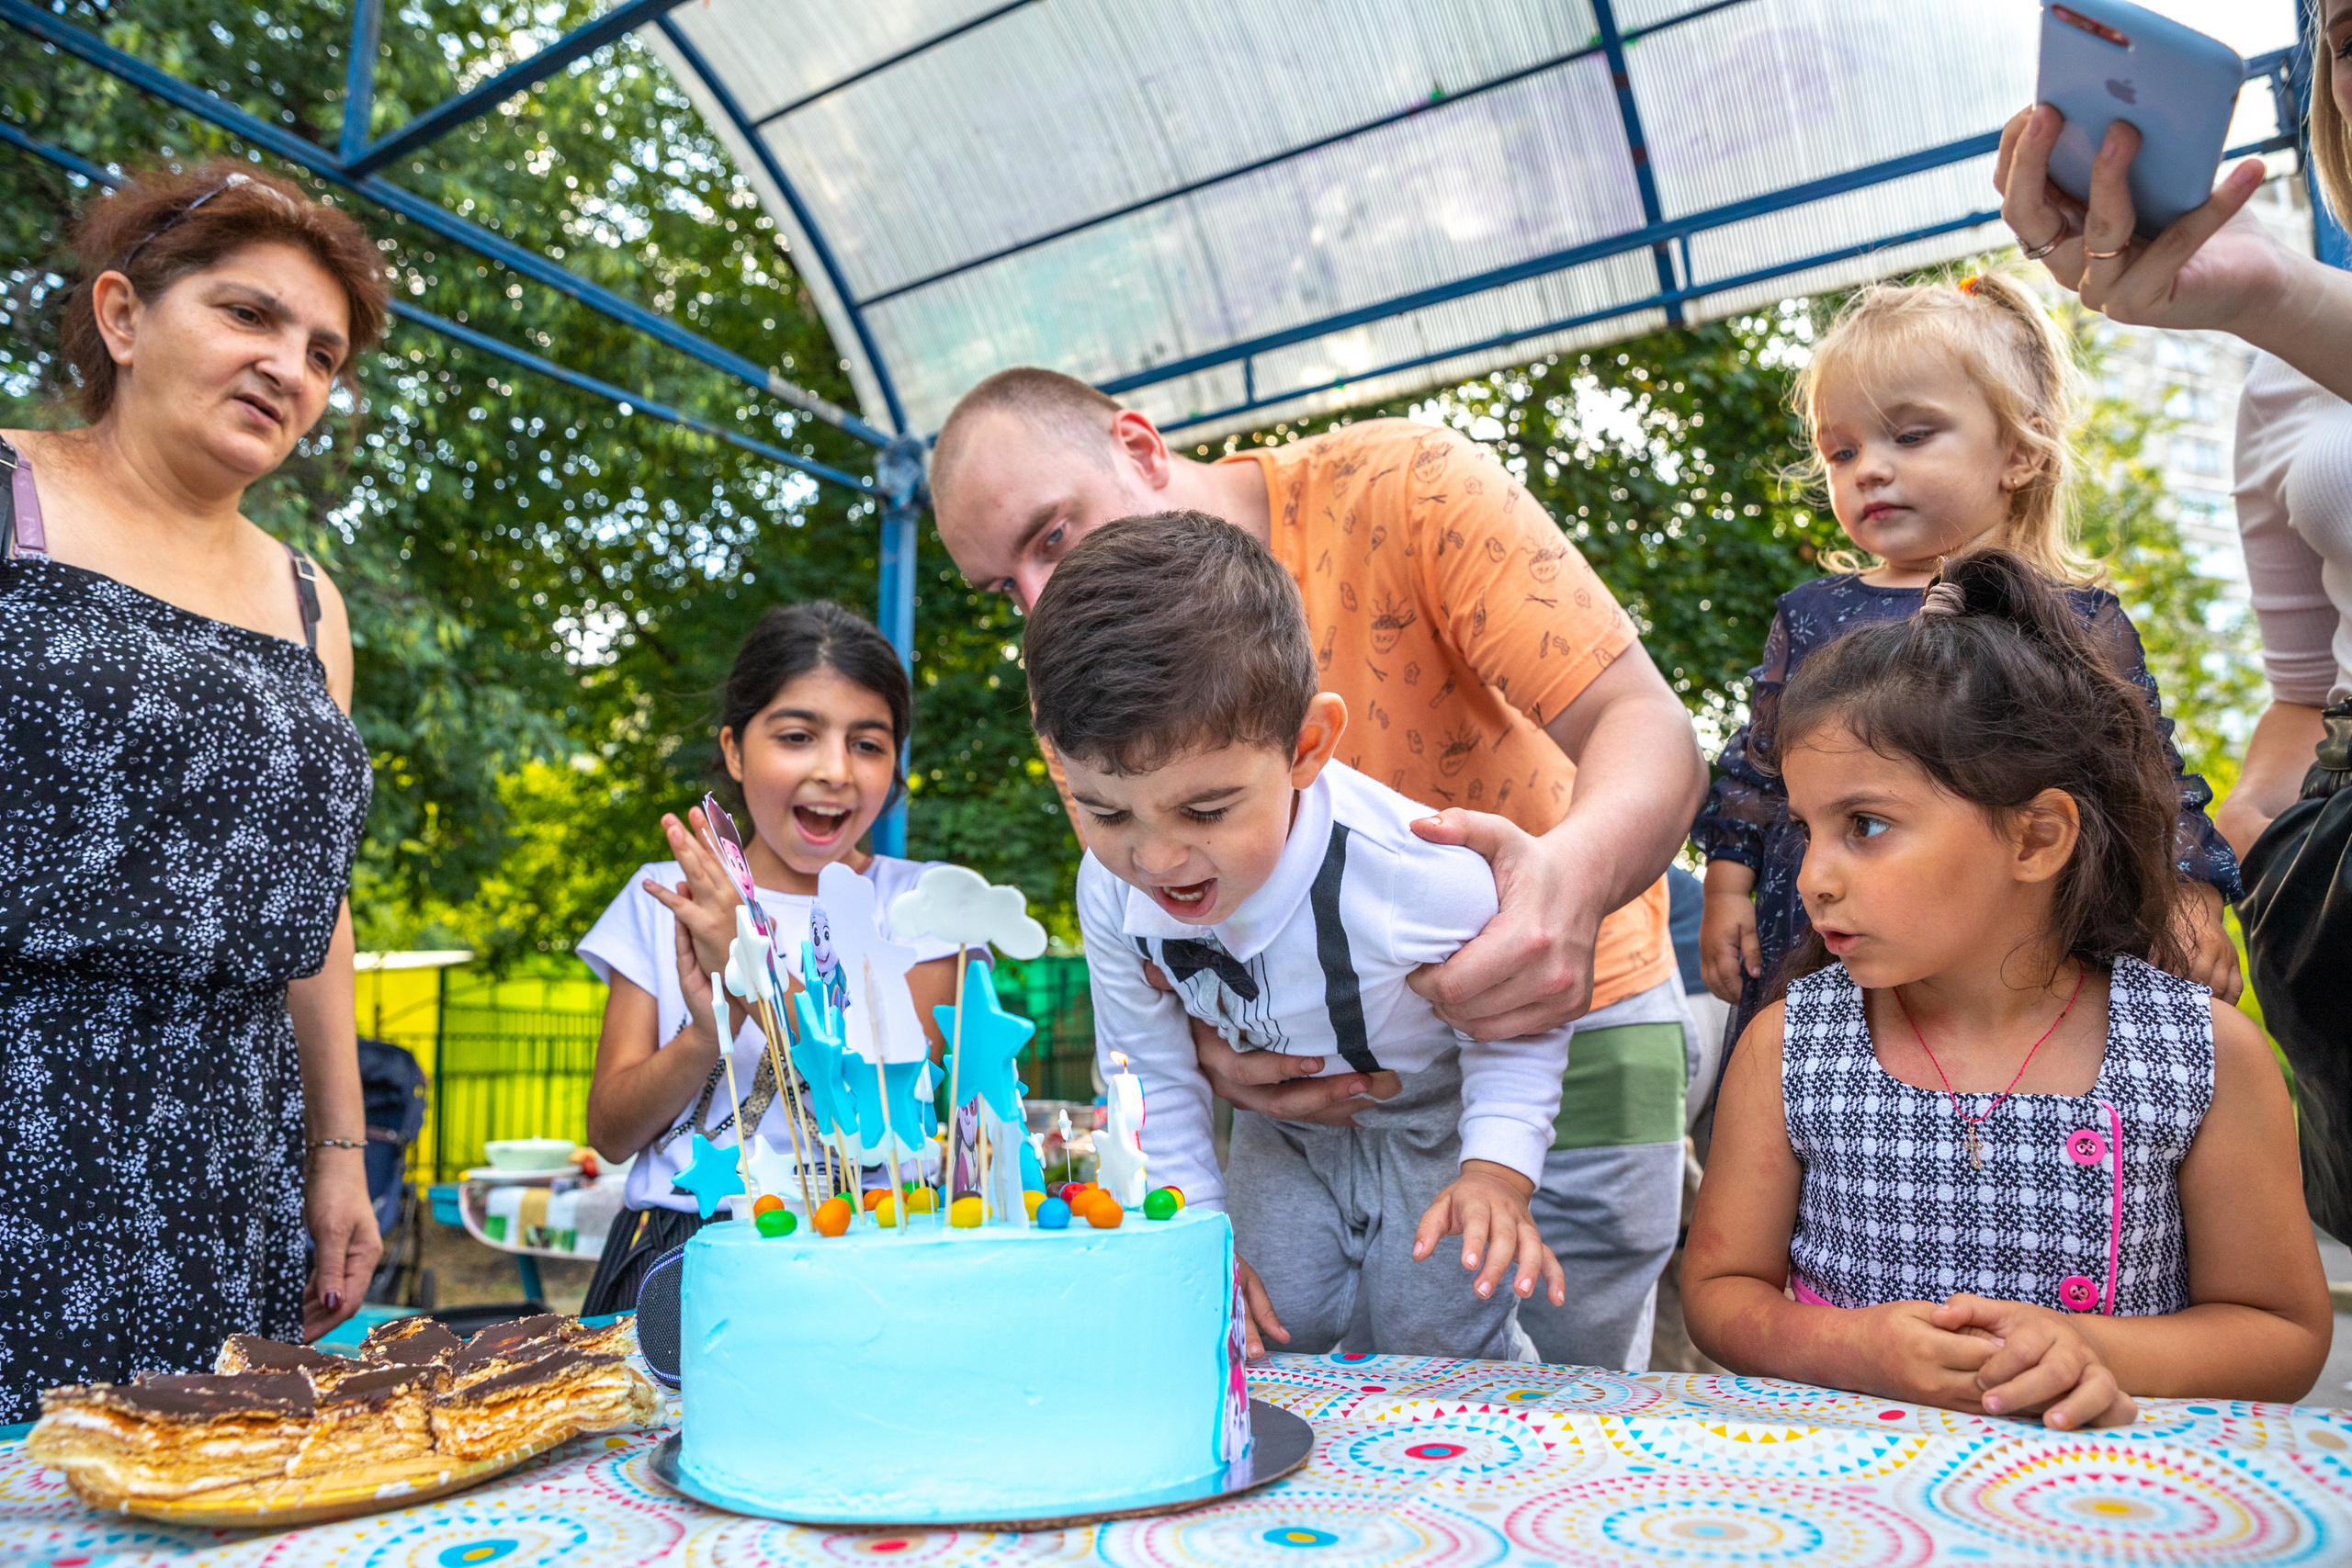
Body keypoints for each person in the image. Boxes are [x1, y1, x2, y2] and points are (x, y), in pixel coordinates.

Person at [933, 368, 1708, 1371]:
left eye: (1050, 537)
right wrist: (1215, 1040)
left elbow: (1649, 727)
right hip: (1304, 1124)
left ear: (1137, 445)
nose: (1036, 603)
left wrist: (1565, 886)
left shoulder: (1406, 486)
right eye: (1005, 588)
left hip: (1567, 1029)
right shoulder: (1104, 744)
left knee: (1541, 1422)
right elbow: (1150, 1042)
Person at [1682, 552, 2330, 1428]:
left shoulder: (2203, 1056)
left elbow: (2282, 1332)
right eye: (1806, 828)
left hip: (2103, 1511)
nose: (1812, 877)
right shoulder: (1790, 1046)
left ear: (2036, 837)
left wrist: (2087, 1346)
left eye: (1865, 826)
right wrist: (1854, 1348)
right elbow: (1721, 1294)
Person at [0, 162, 386, 1417]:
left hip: (232, 1149)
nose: (291, 365)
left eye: (323, 351)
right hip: (24, 1102)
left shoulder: (311, 603)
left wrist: (338, 1154)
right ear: (122, 316)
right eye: (249, 314)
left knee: (205, 1493)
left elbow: (315, 902)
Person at [1031, 512, 1570, 1359]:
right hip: (1282, 1131)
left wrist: (1496, 1169)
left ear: (1307, 746)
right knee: (1265, 1321)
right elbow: (1148, 1073)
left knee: (1435, 1337)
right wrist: (1197, 1241)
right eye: (1105, 811)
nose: (1159, 857)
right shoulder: (1109, 892)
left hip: (1436, 1123)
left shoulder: (1414, 870)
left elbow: (1522, 1012)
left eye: (1206, 809)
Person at [1993, 4, 2352, 1235]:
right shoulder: (2285, 360)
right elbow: (2301, 686)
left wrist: (2279, 292)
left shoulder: (2293, 310)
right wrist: (2252, 847)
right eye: (2351, 35)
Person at [1692, 272, 2242, 1060]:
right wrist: (1726, 887)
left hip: (2024, 953)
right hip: (1820, 936)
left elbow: (2148, 771)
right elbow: (1758, 767)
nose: (1868, 469)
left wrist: (2191, 898)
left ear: (2019, 451)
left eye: (1910, 436)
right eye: (1841, 450)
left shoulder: (2077, 617)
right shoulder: (1809, 614)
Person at [575, 603, 961, 1314]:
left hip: (873, 1254)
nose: (835, 770)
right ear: (734, 749)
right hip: (679, 1258)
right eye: (796, 736)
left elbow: (875, 1093)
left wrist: (748, 967)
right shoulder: (666, 896)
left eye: (869, 744)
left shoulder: (929, 908)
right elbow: (612, 1131)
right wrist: (702, 1033)